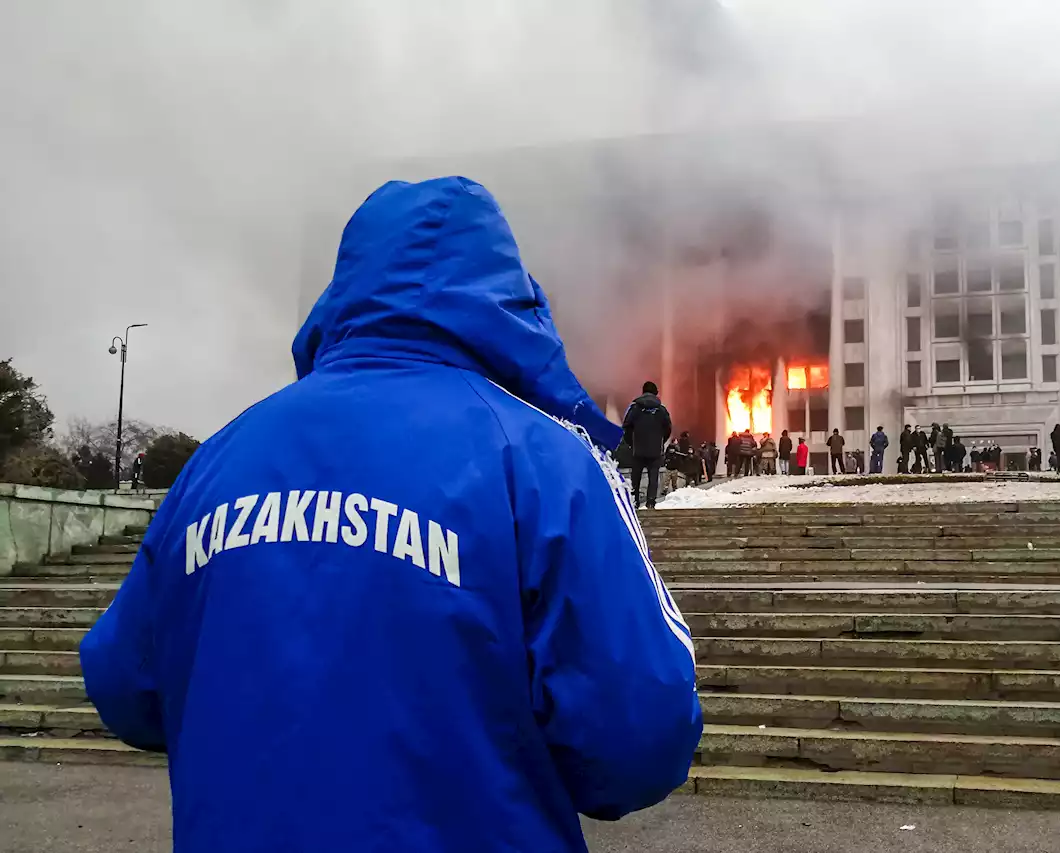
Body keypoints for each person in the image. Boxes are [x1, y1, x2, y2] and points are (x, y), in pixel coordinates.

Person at [78, 178, 701, 853]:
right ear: (509, 300)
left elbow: (123, 684)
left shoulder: (219, 460)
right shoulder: (546, 462)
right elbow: (639, 735)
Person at [623, 381, 672, 510]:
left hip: (638, 449)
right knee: (653, 477)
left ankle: (635, 502)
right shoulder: (661, 410)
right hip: (655, 450)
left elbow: (626, 427)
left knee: (636, 477)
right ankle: (651, 503)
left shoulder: (635, 408)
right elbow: (668, 428)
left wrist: (631, 443)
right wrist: (661, 441)